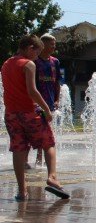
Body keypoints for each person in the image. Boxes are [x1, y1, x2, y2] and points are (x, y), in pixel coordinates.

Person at [2, 35, 69, 201]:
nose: (37, 56)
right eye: (36, 52)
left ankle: (21, 190)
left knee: (18, 149)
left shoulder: (6, 64)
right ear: (30, 48)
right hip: (29, 112)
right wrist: (46, 109)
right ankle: (52, 177)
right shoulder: (28, 64)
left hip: (11, 114)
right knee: (49, 143)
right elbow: (32, 91)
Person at [33, 34, 61, 168]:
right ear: (43, 45)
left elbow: (57, 82)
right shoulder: (34, 61)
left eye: (54, 44)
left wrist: (57, 99)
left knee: (45, 130)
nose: (54, 46)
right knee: (35, 130)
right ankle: (35, 159)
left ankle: (40, 159)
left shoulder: (55, 61)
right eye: (51, 44)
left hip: (49, 101)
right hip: (35, 102)